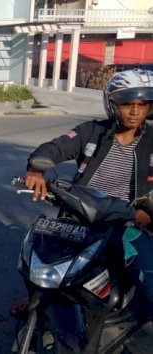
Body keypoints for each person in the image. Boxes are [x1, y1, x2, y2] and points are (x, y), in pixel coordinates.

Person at [24, 68, 153, 315]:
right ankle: (35, 302)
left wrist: (148, 211)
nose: (135, 111)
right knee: (39, 255)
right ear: (112, 103)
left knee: (148, 275)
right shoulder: (92, 131)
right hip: (82, 214)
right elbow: (54, 148)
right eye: (127, 104)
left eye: (142, 104)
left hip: (127, 222)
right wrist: (36, 169)